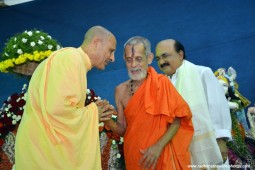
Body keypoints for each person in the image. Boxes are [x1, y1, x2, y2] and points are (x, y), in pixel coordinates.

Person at [15, 26, 117, 170]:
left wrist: (92, 112)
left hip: (40, 151)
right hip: (42, 155)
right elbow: (58, 110)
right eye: (111, 50)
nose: (113, 58)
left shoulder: (73, 60)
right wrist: (94, 112)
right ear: (96, 42)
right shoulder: (71, 58)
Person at [105, 36, 194, 170]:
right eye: (129, 60)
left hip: (160, 154)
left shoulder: (162, 83)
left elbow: (177, 120)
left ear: (150, 58)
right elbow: (123, 129)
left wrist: (158, 147)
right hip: (135, 157)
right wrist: (105, 119)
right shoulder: (120, 90)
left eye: (139, 59)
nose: (133, 65)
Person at [155, 39, 232, 169]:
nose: (161, 62)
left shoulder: (201, 73)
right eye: (158, 58)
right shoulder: (161, 84)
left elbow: (217, 107)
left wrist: (220, 140)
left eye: (165, 56)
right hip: (180, 150)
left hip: (209, 146)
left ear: (180, 54)